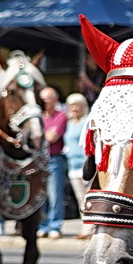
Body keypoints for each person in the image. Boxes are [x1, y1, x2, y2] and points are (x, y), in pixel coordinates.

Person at [40, 85, 68, 238]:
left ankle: (55, 225)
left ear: (55, 99)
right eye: (43, 99)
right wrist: (44, 135)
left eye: (48, 98)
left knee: (55, 194)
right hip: (39, 159)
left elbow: (52, 137)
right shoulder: (39, 117)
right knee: (41, 195)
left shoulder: (61, 116)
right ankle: (42, 225)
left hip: (54, 158)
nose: (45, 101)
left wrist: (41, 135)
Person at [63, 93, 91, 239]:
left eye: (76, 105)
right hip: (72, 165)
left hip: (85, 165)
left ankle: (91, 228)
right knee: (81, 198)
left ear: (83, 106)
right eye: (71, 105)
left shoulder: (87, 122)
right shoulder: (69, 123)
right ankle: (86, 228)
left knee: (89, 198)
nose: (74, 108)